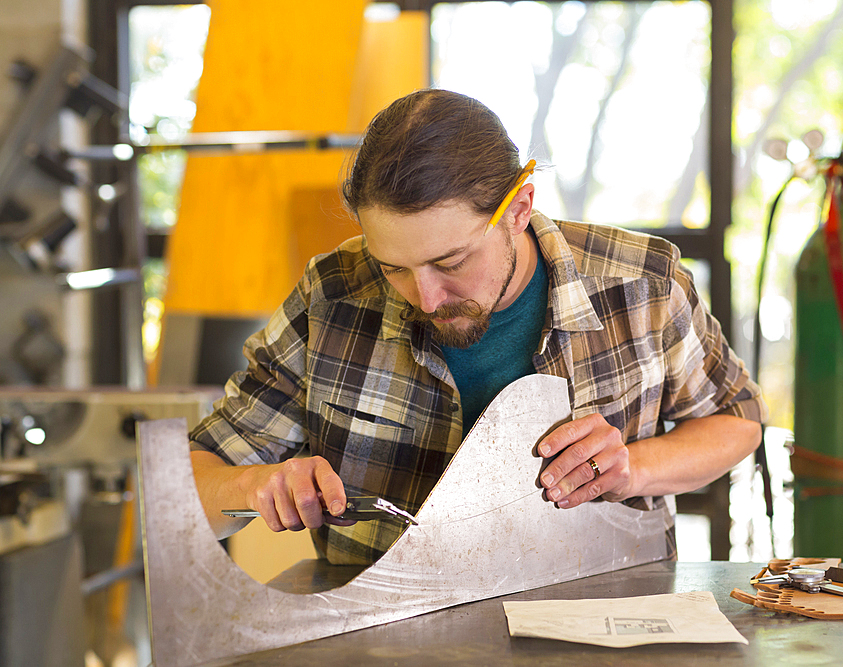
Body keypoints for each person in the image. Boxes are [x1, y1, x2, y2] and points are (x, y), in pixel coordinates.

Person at [189, 88, 767, 565]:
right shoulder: (334, 294)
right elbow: (196, 475)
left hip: (598, 620)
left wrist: (633, 468)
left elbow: (737, 419)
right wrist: (255, 487)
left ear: (519, 208)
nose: (427, 297)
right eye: (393, 268)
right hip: (382, 633)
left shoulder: (644, 283)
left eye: (451, 262)